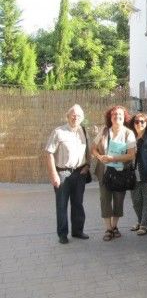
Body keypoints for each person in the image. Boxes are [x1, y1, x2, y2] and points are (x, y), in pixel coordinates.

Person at [45, 104, 91, 244]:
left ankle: (77, 231)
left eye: (78, 115)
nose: (75, 117)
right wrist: (53, 174)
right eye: (73, 114)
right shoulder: (58, 131)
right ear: (67, 116)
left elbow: (88, 150)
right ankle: (62, 234)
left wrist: (88, 166)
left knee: (78, 203)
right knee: (62, 205)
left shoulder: (83, 130)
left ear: (82, 118)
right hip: (63, 173)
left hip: (80, 172)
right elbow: (49, 153)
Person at [92, 106, 136, 241]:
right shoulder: (104, 131)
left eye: (120, 115)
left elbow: (131, 155)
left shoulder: (129, 133)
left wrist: (113, 158)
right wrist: (100, 157)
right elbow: (93, 148)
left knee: (118, 200)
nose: (117, 116)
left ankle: (115, 226)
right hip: (104, 172)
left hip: (120, 173)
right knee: (105, 199)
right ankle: (108, 229)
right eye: (114, 114)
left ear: (124, 117)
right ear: (110, 117)